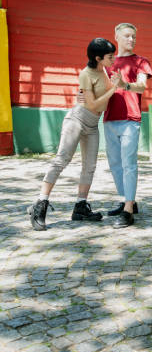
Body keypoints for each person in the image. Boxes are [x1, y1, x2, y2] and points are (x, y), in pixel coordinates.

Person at [27, 38, 119, 231]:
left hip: (93, 125)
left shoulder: (104, 70)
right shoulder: (86, 74)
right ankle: (40, 204)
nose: (114, 58)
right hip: (77, 119)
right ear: (98, 57)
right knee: (62, 159)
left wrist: (114, 87)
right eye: (111, 56)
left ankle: (80, 207)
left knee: (90, 166)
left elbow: (97, 98)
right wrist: (114, 90)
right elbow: (93, 104)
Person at [104, 23, 152, 229]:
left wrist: (125, 85)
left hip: (130, 119)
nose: (131, 40)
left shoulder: (141, 61)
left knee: (129, 164)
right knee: (115, 165)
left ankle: (128, 211)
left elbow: (142, 86)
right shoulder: (107, 63)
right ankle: (127, 200)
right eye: (127, 36)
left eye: (133, 36)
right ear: (116, 37)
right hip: (109, 119)